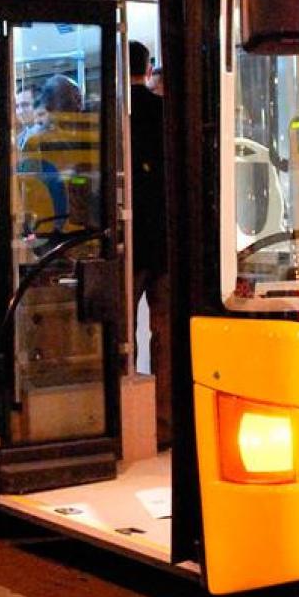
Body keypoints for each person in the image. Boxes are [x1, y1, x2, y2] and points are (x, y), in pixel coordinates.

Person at [127, 41, 171, 448]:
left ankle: (126, 422)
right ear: (148, 67)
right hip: (167, 243)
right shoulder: (165, 115)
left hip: (128, 244)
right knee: (165, 335)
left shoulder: (118, 117)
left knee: (123, 335)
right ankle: (164, 424)